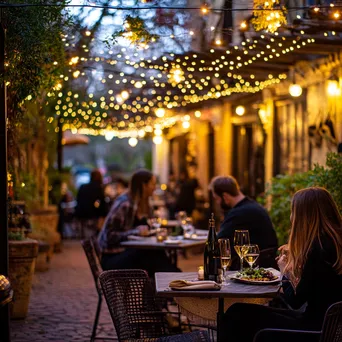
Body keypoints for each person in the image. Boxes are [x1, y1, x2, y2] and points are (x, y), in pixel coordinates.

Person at [221, 187, 342, 342]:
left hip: (312, 330)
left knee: (237, 317)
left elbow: (295, 301)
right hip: (324, 323)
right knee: (238, 311)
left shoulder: (318, 249)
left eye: (294, 211)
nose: (292, 217)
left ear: (304, 216)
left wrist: (285, 270)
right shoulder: (333, 243)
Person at [98, 169, 180, 275]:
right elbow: (109, 237)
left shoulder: (144, 204)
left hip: (128, 252)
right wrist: (135, 232)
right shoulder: (125, 204)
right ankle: (173, 277)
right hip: (113, 257)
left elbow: (148, 229)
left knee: (155, 253)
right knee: (148, 254)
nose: (155, 188)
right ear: (143, 186)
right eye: (153, 184)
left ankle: (171, 278)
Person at [209, 176, 278, 270]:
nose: (217, 202)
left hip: (252, 269)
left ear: (225, 196)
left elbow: (217, 244)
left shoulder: (239, 213)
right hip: (264, 264)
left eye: (216, 198)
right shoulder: (252, 206)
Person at [75, 169, 108, 238]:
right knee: (103, 213)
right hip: (92, 213)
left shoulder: (82, 187)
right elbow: (102, 203)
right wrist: (105, 214)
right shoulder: (99, 188)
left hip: (80, 212)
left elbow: (78, 200)